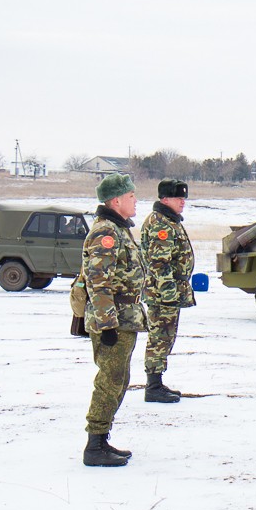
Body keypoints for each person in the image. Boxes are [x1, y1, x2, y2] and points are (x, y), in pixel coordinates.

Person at [81, 173, 146, 467]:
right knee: (110, 381)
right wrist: (107, 325)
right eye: (131, 196)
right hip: (114, 321)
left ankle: (101, 439)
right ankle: (94, 446)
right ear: (116, 201)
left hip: (125, 318)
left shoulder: (119, 230)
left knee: (118, 380)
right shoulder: (106, 233)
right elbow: (98, 282)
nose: (136, 201)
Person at [141, 178, 195, 403]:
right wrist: (169, 293)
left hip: (169, 290)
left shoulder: (168, 221)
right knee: (160, 337)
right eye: (178, 198)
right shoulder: (161, 224)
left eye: (184, 198)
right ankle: (153, 387)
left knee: (165, 337)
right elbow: (159, 264)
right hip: (163, 293)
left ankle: (157, 382)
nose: (182, 202)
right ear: (165, 199)